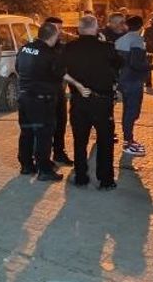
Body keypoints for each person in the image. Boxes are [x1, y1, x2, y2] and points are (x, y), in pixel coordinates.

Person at [15, 23, 86, 182]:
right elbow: (59, 74)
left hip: (24, 97)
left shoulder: (25, 49)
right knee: (44, 135)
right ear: (53, 36)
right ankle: (44, 170)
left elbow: (18, 68)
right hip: (42, 101)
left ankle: (26, 165)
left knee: (26, 132)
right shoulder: (50, 54)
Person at [63, 15, 122, 190]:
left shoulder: (69, 48)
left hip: (79, 100)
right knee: (105, 141)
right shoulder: (107, 47)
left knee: (80, 140)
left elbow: (61, 69)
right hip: (102, 102)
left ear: (79, 29)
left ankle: (81, 177)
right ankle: (106, 180)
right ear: (96, 29)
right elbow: (120, 63)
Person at [115, 16, 152, 156]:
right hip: (133, 81)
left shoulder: (120, 40)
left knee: (128, 111)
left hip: (123, 80)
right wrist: (151, 66)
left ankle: (128, 138)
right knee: (132, 112)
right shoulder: (137, 40)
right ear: (141, 27)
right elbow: (136, 63)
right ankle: (128, 141)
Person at [44, 16, 73, 166]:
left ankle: (59, 153)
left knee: (61, 123)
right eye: (57, 29)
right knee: (46, 126)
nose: (60, 32)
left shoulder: (63, 47)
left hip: (60, 92)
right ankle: (43, 157)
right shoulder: (40, 48)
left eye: (61, 29)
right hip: (44, 94)